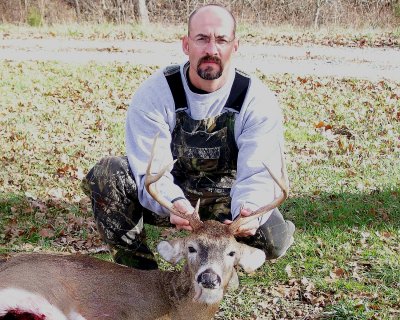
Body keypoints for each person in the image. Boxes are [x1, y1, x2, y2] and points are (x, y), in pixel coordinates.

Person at [82, 4, 295, 270]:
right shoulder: (156, 93)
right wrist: (174, 202)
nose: (211, 50)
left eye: (221, 40)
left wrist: (249, 210)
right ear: (186, 45)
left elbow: (258, 171)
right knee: (108, 174)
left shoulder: (255, 99)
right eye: (202, 39)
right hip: (175, 193)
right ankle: (137, 273)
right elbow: (150, 166)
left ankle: (224, 260)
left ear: (235, 46)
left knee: (273, 242)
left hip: (227, 198)